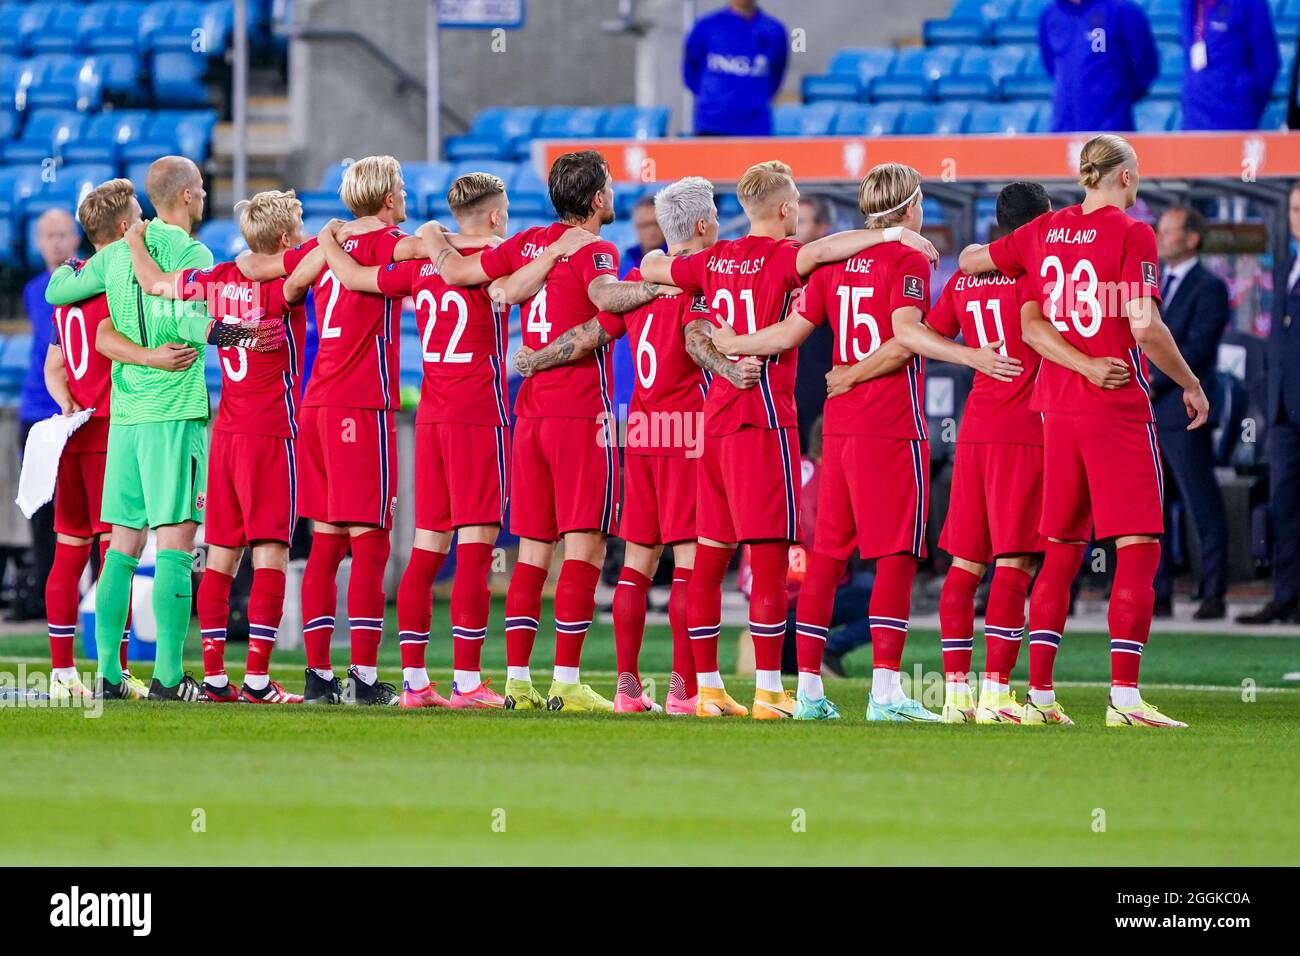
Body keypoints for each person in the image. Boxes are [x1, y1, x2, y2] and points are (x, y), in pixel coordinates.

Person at [710, 164, 1011, 722]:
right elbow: (906, 334)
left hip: (838, 430)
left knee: (826, 558)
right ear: (913, 204)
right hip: (889, 424)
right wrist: (968, 355)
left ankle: (807, 695)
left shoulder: (835, 261)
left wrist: (733, 341)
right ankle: (886, 694)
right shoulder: (909, 257)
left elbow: (787, 334)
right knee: (894, 555)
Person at [641, 160, 940, 719]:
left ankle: (706, 690)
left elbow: (657, 264)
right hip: (764, 421)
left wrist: (677, 276)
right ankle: (770, 693)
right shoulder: (787, 257)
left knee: (709, 560)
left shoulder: (715, 258)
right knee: (771, 561)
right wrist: (896, 233)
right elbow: (827, 251)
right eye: (798, 201)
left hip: (714, 422)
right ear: (785, 210)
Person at [959, 133, 1210, 729]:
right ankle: (1124, 699)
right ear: (1121, 176)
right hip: (1115, 407)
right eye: (1138, 170)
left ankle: (1041, 695)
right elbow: (1144, 326)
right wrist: (1191, 382)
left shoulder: (1045, 230)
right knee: (1139, 548)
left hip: (1055, 411)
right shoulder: (1132, 233)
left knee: (1063, 553)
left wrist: (1076, 363)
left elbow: (979, 268)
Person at [317, 172, 594, 709]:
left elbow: (352, 278)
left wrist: (329, 239)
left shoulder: (420, 265)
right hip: (476, 416)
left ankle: (417, 682)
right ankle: (467, 683)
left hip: (432, 419)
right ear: (495, 215)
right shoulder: (496, 252)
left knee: (427, 548)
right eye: (506, 209)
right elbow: (510, 281)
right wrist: (557, 249)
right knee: (475, 550)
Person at [426, 150, 671, 713]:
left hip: (527, 418)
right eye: (607, 187)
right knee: (584, 543)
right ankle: (566, 681)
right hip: (579, 416)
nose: (612, 195)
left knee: (533, 549)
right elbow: (608, 299)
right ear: (596, 200)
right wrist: (658, 287)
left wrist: (432, 236)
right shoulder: (598, 249)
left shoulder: (527, 241)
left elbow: (464, 276)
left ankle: (516, 681)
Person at [46, 156, 282, 701]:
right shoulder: (192, 253)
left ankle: (108, 673)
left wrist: (78, 268)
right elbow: (186, 321)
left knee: (122, 547)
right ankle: (171, 679)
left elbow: (66, 298)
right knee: (176, 544)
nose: (203, 197)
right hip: (174, 413)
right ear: (190, 195)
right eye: (200, 189)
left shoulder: (109, 259)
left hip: (125, 420)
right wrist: (237, 334)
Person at [513, 176, 732, 715]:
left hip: (640, 431)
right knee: (689, 563)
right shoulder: (693, 286)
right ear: (703, 224)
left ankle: (628, 690)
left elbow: (590, 332)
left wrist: (536, 360)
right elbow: (696, 343)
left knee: (636, 562)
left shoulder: (634, 280)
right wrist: (732, 364)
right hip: (684, 432)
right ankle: (685, 691)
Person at [929, 181, 1134, 725]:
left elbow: (925, 336)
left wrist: (971, 357)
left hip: (974, 430)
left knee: (965, 565)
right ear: (1044, 219)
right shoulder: (1037, 273)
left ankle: (955, 699)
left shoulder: (966, 275)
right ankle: (998, 695)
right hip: (1028, 430)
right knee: (1015, 563)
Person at [125, 190, 327, 703]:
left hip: (227, 437)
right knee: (271, 556)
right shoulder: (284, 284)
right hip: (269, 436)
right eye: (298, 229)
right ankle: (257, 680)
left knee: (220, 558)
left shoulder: (216, 281)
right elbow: (318, 257)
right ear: (285, 240)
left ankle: (215, 677)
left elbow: (151, 283)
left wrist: (133, 238)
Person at [42, 182, 163, 703]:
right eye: (139, 216)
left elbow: (54, 365)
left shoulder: (67, 285)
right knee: (119, 556)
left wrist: (66, 401)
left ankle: (62, 672)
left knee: (69, 553)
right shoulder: (116, 278)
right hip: (115, 428)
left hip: (74, 431)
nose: (145, 223)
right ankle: (114, 672)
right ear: (120, 229)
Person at [1151, 205, 1230, 619]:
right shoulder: (1156, 283)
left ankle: (1214, 592)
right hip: (1149, 416)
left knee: (1202, 502)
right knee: (1152, 508)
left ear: (1191, 238)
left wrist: (1149, 382)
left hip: (1185, 411)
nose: (1160, 238)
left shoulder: (1209, 286)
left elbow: (1197, 349)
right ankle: (1159, 594)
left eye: (1167, 232)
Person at [1238, 182, 1300, 624]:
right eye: (1295, 209)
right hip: (1282, 413)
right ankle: (1286, 597)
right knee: (1284, 505)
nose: (1299, 216)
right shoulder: (1285, 268)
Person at [16, 210, 79, 622]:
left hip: (73, 410)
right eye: (48, 236)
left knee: (80, 510)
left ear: (75, 239)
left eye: (62, 234)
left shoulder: (88, 282)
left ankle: (85, 595)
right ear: (38, 243)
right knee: (41, 509)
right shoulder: (33, 289)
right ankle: (43, 594)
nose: (56, 242)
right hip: (36, 411)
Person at [1039, 0, 1158, 133]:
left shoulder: (1122, 10)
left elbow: (1145, 64)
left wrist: (1115, 95)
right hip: (1063, 129)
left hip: (1111, 129)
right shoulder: (1050, 14)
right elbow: (1051, 64)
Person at [683, 0, 788, 136]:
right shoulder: (706, 26)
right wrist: (713, 101)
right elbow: (691, 70)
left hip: (755, 127)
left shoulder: (773, 30)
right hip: (711, 126)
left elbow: (777, 73)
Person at [1180, 0, 1279, 131]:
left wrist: (1244, 100)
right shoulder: (1188, 4)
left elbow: (1267, 63)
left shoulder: (1250, 4)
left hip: (1233, 118)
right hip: (1193, 119)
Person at [793, 194, 836, 450]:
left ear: (822, 228)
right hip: (785, 394)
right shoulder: (780, 270)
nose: (794, 227)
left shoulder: (835, 272)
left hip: (821, 392)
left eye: (802, 221)